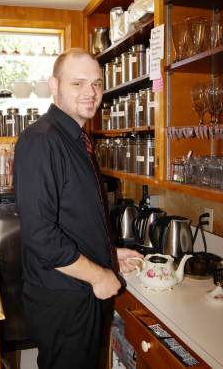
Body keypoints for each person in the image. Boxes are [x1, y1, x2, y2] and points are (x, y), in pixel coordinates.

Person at [14, 48, 142, 369]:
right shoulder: (41, 140)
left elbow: (74, 216)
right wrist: (99, 275)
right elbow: (41, 235)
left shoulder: (74, 138)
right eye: (78, 84)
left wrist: (109, 254)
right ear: (54, 85)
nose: (91, 93)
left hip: (78, 291)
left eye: (97, 84)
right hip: (65, 299)